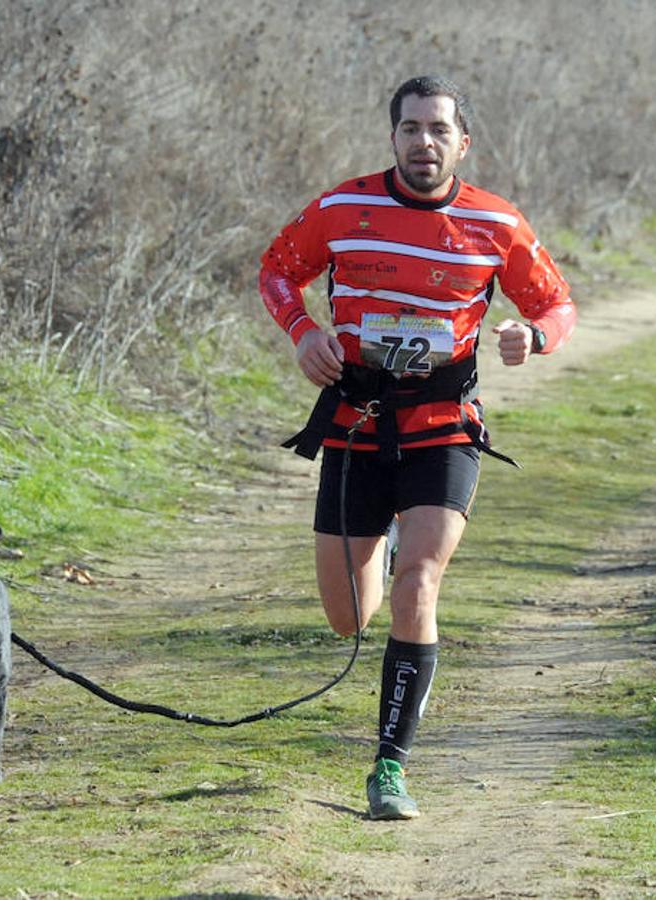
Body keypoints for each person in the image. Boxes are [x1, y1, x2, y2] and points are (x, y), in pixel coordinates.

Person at [257, 75, 576, 820]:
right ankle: (390, 546)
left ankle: (390, 768)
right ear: (392, 137)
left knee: (419, 586)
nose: (423, 142)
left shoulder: (495, 222)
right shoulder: (342, 210)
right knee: (348, 618)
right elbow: (276, 270)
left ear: (463, 142)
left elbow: (557, 304)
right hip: (356, 424)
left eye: (438, 129)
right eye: (410, 128)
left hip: (444, 428)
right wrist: (303, 333)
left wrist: (532, 336)